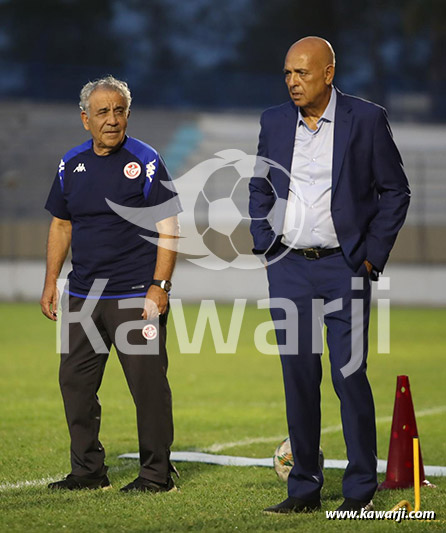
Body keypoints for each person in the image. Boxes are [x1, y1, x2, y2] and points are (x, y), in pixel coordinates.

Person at [249, 37, 410, 513]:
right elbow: (260, 186)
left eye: (302, 73)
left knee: (348, 376)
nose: (292, 82)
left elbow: (395, 192)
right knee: (298, 376)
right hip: (290, 268)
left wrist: (369, 257)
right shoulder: (273, 121)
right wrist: (265, 243)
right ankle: (303, 489)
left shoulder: (367, 119)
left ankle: (360, 490)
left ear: (329, 72)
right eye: (287, 74)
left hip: (345, 268)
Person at [40, 76, 182, 492]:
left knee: (148, 389)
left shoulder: (148, 160)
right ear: (85, 119)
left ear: (128, 115)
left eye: (119, 111)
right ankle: (88, 471)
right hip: (83, 297)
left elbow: (169, 226)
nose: (112, 119)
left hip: (136, 295)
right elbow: (62, 224)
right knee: (75, 386)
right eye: (102, 112)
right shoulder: (70, 164)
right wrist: (52, 281)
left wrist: (160, 285)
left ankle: (156, 475)